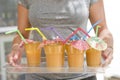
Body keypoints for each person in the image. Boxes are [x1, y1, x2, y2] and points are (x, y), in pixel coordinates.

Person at [7, 0, 113, 80]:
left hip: (82, 76)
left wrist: (108, 46)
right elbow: (22, 33)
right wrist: (16, 48)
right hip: (38, 76)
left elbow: (103, 30)